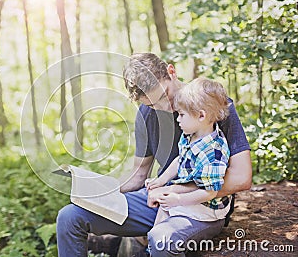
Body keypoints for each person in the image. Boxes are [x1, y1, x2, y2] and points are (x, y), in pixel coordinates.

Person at [56, 53, 252, 257]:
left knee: (162, 239)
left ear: (172, 72)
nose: (164, 108)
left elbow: (242, 178)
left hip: (200, 208)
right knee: (69, 217)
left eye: (164, 95)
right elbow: (139, 174)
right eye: (151, 105)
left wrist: (176, 193)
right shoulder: (146, 115)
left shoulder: (211, 104)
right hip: (158, 202)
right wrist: (100, 189)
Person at [146, 78, 232, 233]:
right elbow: (181, 159)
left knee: (168, 209)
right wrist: (161, 180)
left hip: (206, 206)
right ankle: (153, 242)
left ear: (201, 116)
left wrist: (178, 200)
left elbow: (209, 192)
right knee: (163, 208)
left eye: (181, 115)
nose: (177, 119)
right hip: (189, 193)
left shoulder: (214, 152)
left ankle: (158, 241)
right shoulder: (190, 135)